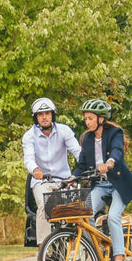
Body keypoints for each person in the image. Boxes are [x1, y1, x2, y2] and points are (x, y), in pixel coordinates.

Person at [73, 98, 132, 261]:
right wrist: (71, 178)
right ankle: (96, 251)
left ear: (101, 119)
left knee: (113, 217)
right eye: (85, 118)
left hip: (118, 185)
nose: (87, 121)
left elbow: (117, 151)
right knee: (84, 213)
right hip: (100, 185)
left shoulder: (115, 133)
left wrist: (110, 162)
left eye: (90, 118)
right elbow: (81, 164)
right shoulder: (87, 139)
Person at [22, 98, 81, 246]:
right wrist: (35, 169)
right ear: (35, 117)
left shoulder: (64, 131)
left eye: (47, 113)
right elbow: (28, 158)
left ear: (52, 115)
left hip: (64, 181)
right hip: (41, 182)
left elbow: (78, 151)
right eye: (40, 114)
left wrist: (84, 168)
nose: (44, 117)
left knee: (76, 211)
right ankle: (44, 248)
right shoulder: (29, 136)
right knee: (44, 205)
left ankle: (75, 250)